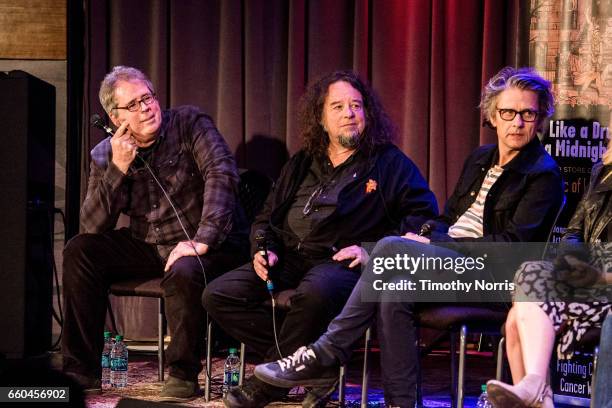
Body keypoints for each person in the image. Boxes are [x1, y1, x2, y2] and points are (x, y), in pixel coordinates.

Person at [253, 66, 565, 408]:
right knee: (393, 289)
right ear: (493, 114)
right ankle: (401, 402)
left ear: (540, 118)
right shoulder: (480, 159)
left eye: (527, 113)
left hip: (493, 278)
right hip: (450, 266)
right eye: (508, 112)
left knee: (387, 247)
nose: (517, 123)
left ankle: (326, 350)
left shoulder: (543, 175)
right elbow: (446, 218)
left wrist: (436, 245)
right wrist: (426, 237)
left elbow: (513, 249)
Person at [202, 70, 438, 408]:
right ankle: (316, 362)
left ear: (367, 114)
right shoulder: (302, 162)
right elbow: (266, 217)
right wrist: (262, 249)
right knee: (218, 295)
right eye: (338, 107)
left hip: (339, 262)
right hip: (288, 257)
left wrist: (371, 250)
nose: (349, 114)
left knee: (315, 293)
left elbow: (424, 218)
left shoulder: (388, 163)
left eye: (356, 106)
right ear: (321, 118)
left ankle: (268, 385)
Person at [61, 66, 249, 402]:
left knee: (185, 268)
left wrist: (202, 239)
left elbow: (222, 173)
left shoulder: (190, 124)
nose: (146, 107)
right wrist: (117, 169)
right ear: (113, 116)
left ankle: (182, 373)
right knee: (80, 251)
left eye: (147, 97)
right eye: (133, 105)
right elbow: (92, 226)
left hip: (208, 243)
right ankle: (81, 370)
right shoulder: (105, 153)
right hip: (149, 244)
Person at [485, 147, 612, 408]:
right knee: (529, 276)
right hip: (590, 277)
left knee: (516, 318)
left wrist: (600, 277)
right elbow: (574, 231)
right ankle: (536, 390)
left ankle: (538, 393)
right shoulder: (602, 172)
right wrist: (573, 262)